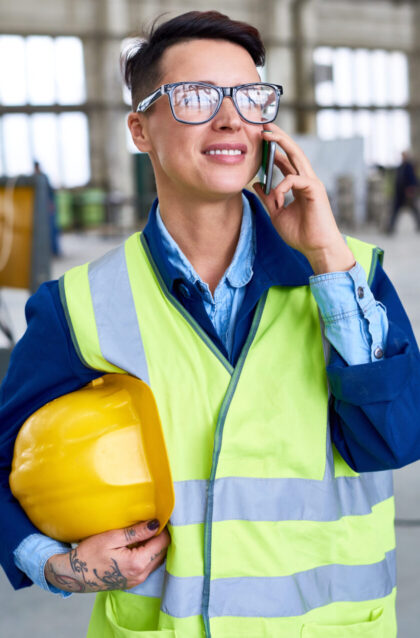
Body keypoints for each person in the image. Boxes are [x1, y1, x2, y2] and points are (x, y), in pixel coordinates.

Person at [1, 10, 420, 637]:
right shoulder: (82, 305)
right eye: (195, 97)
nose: (230, 119)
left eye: (250, 96)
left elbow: (391, 441)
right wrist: (57, 566)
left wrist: (328, 261)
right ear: (139, 129)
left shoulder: (350, 272)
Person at [387, 150, 420, 234]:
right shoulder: (401, 167)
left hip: (407, 194)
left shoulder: (409, 166)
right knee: (395, 211)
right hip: (399, 194)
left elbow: (413, 179)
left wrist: (411, 190)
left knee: (414, 211)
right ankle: (391, 228)